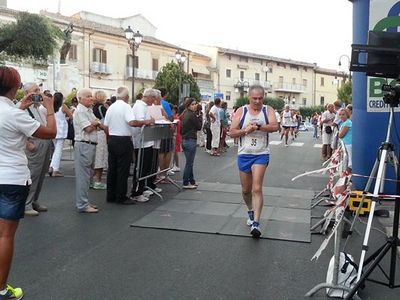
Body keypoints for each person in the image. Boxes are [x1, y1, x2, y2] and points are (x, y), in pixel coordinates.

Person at [0, 66, 56, 300]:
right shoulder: (13, 114)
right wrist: (50, 108)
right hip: (11, 177)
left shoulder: (13, 111)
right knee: (5, 235)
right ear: (14, 87)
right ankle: (1, 289)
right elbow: (50, 132)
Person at [229, 85, 279, 238]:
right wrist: (245, 131)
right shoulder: (241, 111)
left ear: (263, 98)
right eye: (254, 98)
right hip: (244, 154)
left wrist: (260, 127)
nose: (257, 101)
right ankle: (250, 210)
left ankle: (256, 223)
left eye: (260, 98)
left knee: (257, 188)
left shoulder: (267, 110)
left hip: (261, 154)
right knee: (246, 190)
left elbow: (275, 126)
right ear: (249, 98)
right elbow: (231, 132)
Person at [20, 82, 53, 216]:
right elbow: (19, 128)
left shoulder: (38, 108)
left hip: (43, 142)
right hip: (34, 144)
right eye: (35, 90)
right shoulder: (22, 108)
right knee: (33, 174)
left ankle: (34, 200)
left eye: (39, 90)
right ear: (26, 93)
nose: (38, 93)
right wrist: (28, 144)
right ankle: (26, 204)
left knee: (41, 173)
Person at [104, 86, 138, 204]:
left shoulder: (111, 107)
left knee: (112, 169)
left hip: (112, 138)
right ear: (127, 97)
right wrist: (145, 122)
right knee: (123, 169)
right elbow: (132, 122)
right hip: (123, 139)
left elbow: (106, 125)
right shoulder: (126, 107)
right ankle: (121, 196)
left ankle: (110, 194)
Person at [73, 88, 105, 213]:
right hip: (84, 144)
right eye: (87, 96)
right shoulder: (80, 111)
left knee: (87, 176)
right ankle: (82, 204)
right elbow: (88, 128)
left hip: (89, 144)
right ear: (80, 99)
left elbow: (95, 124)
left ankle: (84, 202)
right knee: (83, 176)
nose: (91, 98)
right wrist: (95, 123)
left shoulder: (88, 110)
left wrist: (95, 123)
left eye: (91, 96)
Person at [180, 98, 203, 189]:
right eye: (192, 104)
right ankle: (186, 182)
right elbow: (199, 127)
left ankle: (191, 180)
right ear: (188, 105)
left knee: (189, 162)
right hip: (190, 140)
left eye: (195, 104)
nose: (194, 105)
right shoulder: (192, 115)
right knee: (189, 163)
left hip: (185, 139)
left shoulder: (184, 113)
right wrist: (200, 117)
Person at [49, 92, 73, 177]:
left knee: (56, 149)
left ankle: (52, 166)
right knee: (58, 149)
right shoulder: (63, 106)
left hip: (53, 128)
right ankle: (55, 169)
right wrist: (65, 118)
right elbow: (71, 116)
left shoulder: (51, 106)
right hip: (61, 130)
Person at [92, 90, 108, 190]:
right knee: (100, 157)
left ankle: (91, 180)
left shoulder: (91, 108)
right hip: (101, 133)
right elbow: (106, 121)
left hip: (92, 133)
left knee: (93, 157)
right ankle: (98, 181)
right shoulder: (102, 108)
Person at [338, 108, 352, 173]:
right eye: (340, 115)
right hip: (346, 143)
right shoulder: (346, 122)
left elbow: (341, 135)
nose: (341, 116)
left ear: (347, 115)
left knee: (350, 160)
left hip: (349, 144)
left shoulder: (347, 123)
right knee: (347, 159)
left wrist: (339, 132)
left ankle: (347, 174)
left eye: (343, 114)